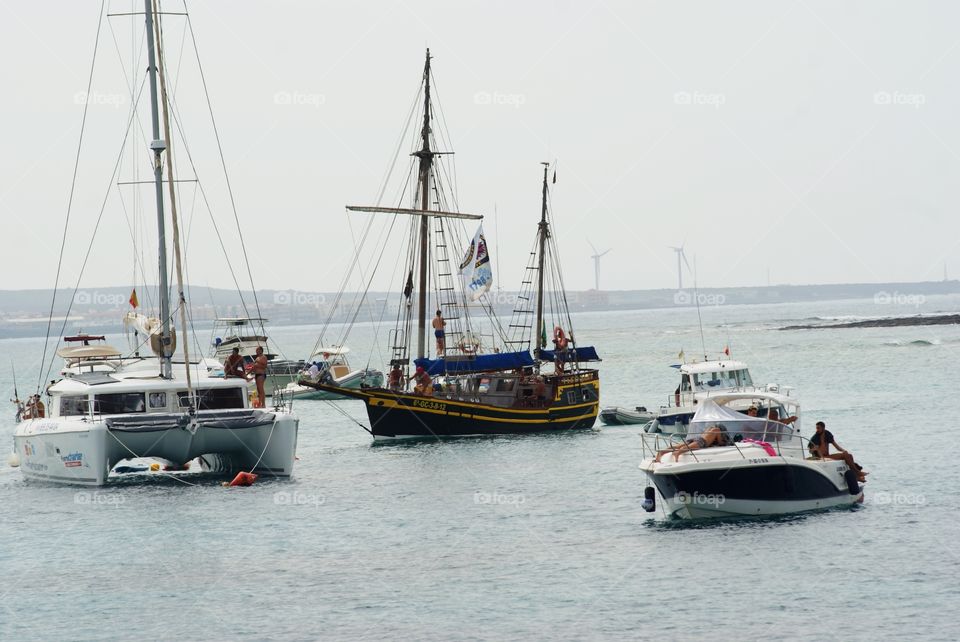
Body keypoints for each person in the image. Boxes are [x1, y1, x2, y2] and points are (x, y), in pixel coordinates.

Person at [654, 425, 730, 463]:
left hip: (696, 438)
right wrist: (723, 442)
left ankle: (661, 452)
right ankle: (677, 453)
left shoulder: (709, 428)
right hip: (702, 441)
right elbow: (720, 442)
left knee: (677, 446)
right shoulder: (717, 430)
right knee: (688, 447)